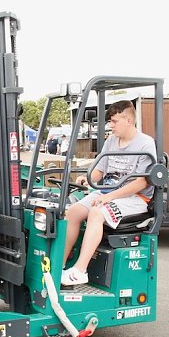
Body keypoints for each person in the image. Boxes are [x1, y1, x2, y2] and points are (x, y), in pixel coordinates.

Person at [61, 100, 155, 286]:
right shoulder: (111, 141)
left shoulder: (146, 144)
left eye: (114, 121)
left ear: (128, 120)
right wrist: (88, 179)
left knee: (97, 212)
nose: (111, 125)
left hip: (134, 198)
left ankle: (80, 271)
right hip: (108, 192)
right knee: (72, 213)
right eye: (110, 121)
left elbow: (142, 182)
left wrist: (108, 197)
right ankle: (60, 265)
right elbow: (100, 170)